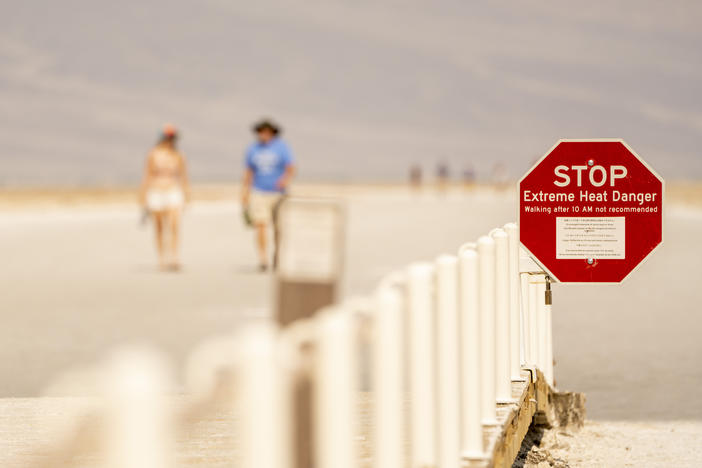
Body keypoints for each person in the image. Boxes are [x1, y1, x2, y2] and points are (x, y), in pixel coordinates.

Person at [241, 119, 295, 271]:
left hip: (278, 193)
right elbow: (248, 172)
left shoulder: (282, 148)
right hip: (259, 192)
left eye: (267, 131)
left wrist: (285, 180)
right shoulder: (253, 149)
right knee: (260, 225)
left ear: (272, 133)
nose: (263, 134)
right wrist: (244, 192)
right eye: (261, 132)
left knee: (280, 227)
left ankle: (278, 256)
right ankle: (263, 259)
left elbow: (291, 167)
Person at [139, 124, 191, 270]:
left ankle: (174, 257)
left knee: (174, 225)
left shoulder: (178, 155)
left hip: (173, 191)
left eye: (172, 138)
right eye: (168, 137)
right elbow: (147, 176)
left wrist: (187, 196)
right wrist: (143, 198)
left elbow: (184, 177)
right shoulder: (153, 154)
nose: (170, 141)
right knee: (159, 227)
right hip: (156, 192)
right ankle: (161, 258)